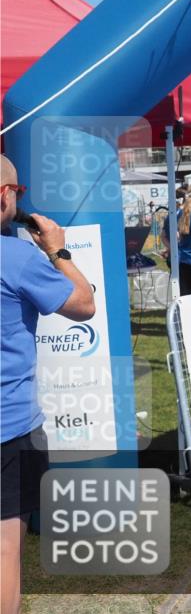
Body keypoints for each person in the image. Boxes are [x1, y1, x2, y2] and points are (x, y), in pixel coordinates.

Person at [1, 155, 95, 614]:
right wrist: (57, 250)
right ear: (6, 196)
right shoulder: (16, 257)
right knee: (3, 552)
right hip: (10, 428)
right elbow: (83, 304)